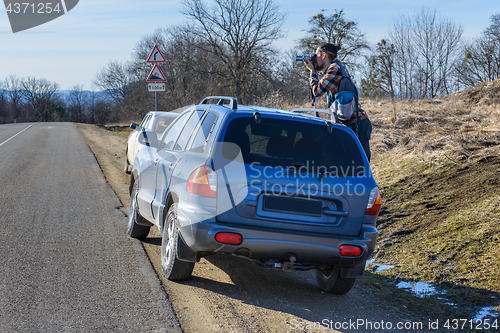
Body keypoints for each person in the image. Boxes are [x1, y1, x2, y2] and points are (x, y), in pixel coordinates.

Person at [304, 42, 372, 162]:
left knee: (358, 168)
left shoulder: (334, 68)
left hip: (356, 124)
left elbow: (317, 91)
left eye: (317, 56)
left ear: (324, 55)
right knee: (351, 166)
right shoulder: (338, 66)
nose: (315, 59)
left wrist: (313, 72)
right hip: (354, 123)